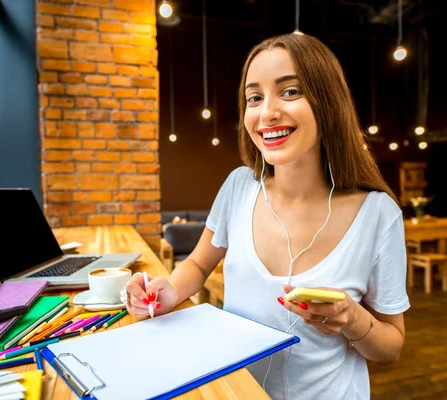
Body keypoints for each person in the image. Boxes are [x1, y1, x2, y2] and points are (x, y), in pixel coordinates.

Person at [125, 33, 409, 400]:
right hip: (235, 392)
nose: (266, 112)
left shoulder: (378, 214)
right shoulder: (239, 186)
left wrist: (353, 320)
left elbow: (392, 347)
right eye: (254, 98)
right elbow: (197, 264)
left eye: (290, 92)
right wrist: (170, 292)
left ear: (329, 102)